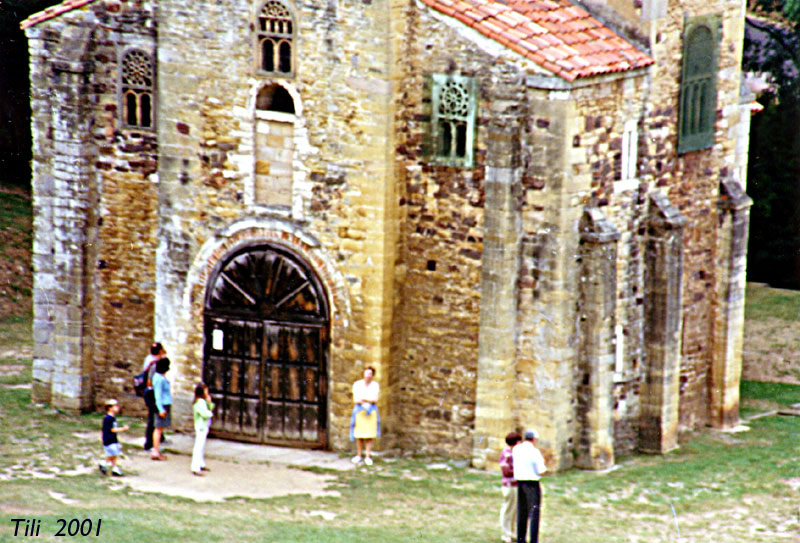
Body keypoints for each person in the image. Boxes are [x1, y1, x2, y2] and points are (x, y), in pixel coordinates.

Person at [512, 429, 547, 543]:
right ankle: (533, 540)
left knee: (522, 512)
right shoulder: (534, 452)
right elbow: (541, 470)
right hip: (532, 483)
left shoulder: (517, 449)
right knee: (534, 513)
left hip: (520, 482)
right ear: (534, 439)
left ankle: (521, 539)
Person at [349, 366, 379, 466]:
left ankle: (368, 456)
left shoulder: (375, 385)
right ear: (363, 374)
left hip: (371, 411)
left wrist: (364, 398)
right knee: (359, 434)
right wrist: (367, 399)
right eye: (366, 373)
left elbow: (375, 399)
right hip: (360, 411)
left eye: (370, 374)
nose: (368, 376)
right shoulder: (357, 384)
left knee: (369, 435)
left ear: (372, 375)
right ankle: (358, 455)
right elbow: (356, 400)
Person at [142, 342, 166, 452]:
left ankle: (159, 437)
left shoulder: (148, 359)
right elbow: (150, 381)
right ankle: (149, 443)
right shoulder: (155, 363)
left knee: (154, 415)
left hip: (148, 391)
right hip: (152, 392)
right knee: (153, 417)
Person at [499, 431, 522, 543]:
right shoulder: (507, 453)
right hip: (509, 485)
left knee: (515, 510)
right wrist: (519, 471)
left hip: (516, 485)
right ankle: (505, 534)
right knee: (508, 509)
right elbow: (506, 471)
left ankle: (513, 533)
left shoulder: (516, 453)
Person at [99, 399, 129, 476]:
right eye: (115, 406)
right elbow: (112, 429)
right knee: (113, 453)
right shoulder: (108, 418)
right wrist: (123, 429)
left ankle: (115, 468)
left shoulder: (112, 417)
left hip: (113, 439)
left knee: (115, 454)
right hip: (109, 439)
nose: (118, 407)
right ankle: (104, 463)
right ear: (110, 408)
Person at [151, 357, 172, 461]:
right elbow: (158, 395)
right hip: (162, 405)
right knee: (158, 428)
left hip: (165, 404)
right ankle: (155, 451)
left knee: (160, 428)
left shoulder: (159, 377)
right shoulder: (159, 379)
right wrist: (161, 409)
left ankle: (156, 450)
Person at [191, 382, 214, 476]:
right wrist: (211, 414)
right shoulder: (199, 402)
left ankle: (201, 463)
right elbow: (205, 413)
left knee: (201, 446)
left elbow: (210, 407)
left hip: (204, 426)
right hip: (201, 427)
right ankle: (195, 467)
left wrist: (209, 402)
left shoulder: (203, 401)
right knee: (198, 446)